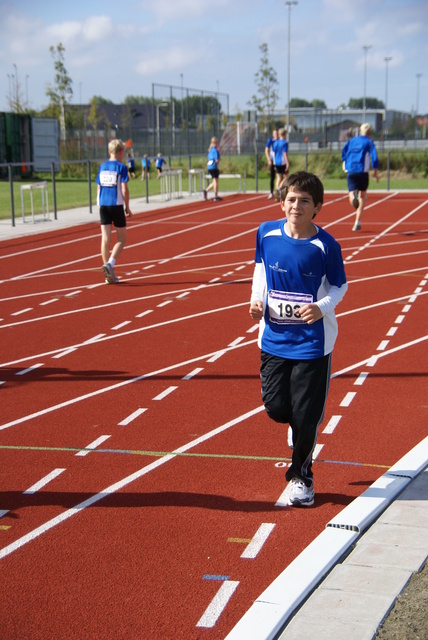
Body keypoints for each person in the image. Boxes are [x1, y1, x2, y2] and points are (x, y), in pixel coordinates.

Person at [249, 171, 348, 507]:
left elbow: (340, 286)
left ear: (317, 207)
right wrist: (256, 299)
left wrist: (321, 307)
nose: (297, 205)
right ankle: (296, 425)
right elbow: (260, 268)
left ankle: (302, 479)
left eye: (305, 201)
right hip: (274, 338)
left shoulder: (325, 245)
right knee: (277, 408)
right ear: (282, 202)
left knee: (306, 416)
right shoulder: (266, 233)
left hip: (313, 342)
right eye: (291, 199)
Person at [95, 139, 132, 284]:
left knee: (105, 238)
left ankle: (108, 274)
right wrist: (127, 206)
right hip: (115, 204)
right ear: (121, 152)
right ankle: (110, 264)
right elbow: (124, 188)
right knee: (122, 238)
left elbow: (98, 187)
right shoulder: (121, 167)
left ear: (109, 152)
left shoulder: (102, 166)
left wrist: (99, 203)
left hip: (102, 204)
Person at [341, 122, 379, 231]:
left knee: (351, 192)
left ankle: (353, 198)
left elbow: (344, 152)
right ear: (370, 133)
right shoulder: (369, 142)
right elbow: (374, 157)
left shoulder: (351, 141)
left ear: (360, 132)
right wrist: (375, 171)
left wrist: (344, 161)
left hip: (351, 170)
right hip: (362, 171)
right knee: (362, 196)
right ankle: (357, 221)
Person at [272, 128, 289, 201]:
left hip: (276, 161)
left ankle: (277, 192)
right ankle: (279, 190)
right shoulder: (285, 142)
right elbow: (285, 153)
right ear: (284, 134)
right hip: (282, 161)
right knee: (286, 178)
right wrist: (287, 163)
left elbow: (273, 153)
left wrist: (274, 163)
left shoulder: (275, 142)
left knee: (278, 178)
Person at [203, 137, 222, 202]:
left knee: (214, 181)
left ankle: (206, 190)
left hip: (209, 167)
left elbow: (208, 159)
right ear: (216, 143)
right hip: (214, 167)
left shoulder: (210, 150)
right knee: (216, 182)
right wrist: (219, 160)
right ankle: (216, 196)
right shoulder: (215, 150)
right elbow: (216, 160)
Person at [265, 128, 279, 199]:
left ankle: (279, 192)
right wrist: (269, 160)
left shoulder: (280, 140)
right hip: (273, 161)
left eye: (277, 133)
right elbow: (266, 150)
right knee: (272, 177)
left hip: (279, 162)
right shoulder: (270, 140)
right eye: (275, 133)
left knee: (279, 177)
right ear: (273, 134)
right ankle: (271, 192)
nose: (276, 135)